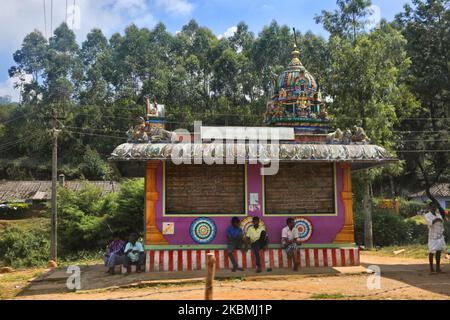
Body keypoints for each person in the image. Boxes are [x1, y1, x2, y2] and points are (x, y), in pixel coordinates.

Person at [424, 201, 446, 274]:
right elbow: (430, 223)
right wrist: (436, 220)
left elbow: (441, 223)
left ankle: (438, 268)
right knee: (431, 251)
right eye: (432, 206)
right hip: (432, 236)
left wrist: (436, 220)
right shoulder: (427, 215)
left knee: (439, 251)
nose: (434, 208)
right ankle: (431, 269)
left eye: (435, 207)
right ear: (430, 207)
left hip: (439, 235)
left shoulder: (438, 215)